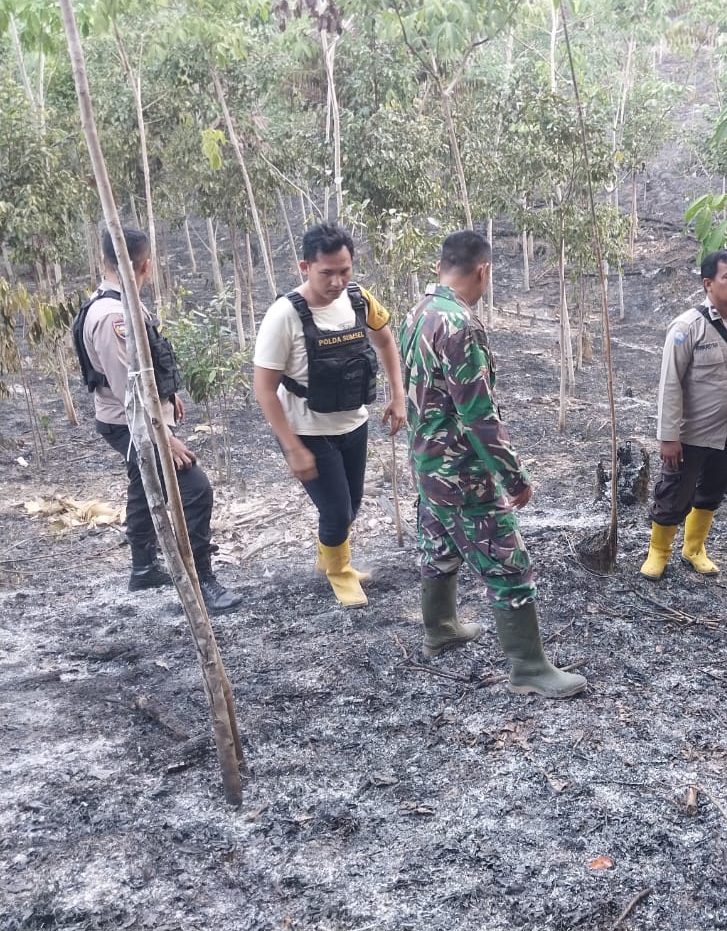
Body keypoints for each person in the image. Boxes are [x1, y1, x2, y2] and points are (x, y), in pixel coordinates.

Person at [398, 229, 586, 699]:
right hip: (462, 472)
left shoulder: (419, 311)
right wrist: (513, 475)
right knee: (508, 563)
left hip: (428, 464)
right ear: (483, 270)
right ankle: (528, 666)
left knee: (439, 545)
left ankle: (440, 628)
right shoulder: (460, 325)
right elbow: (478, 414)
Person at [74, 226, 242, 613]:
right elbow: (127, 391)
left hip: (131, 417)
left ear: (104, 261)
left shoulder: (119, 301)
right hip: (129, 424)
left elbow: (143, 370)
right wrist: (163, 437)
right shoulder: (113, 316)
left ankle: (144, 568)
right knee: (196, 488)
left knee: (141, 482)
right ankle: (203, 581)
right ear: (147, 265)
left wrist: (168, 397)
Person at [252, 223, 406, 607]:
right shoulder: (284, 315)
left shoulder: (358, 298)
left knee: (350, 505)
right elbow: (264, 388)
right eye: (327, 273)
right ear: (305, 266)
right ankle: (340, 571)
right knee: (337, 511)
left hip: (353, 422)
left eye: (345, 270)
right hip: (307, 430)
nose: (337, 281)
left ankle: (327, 561)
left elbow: (385, 338)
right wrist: (292, 447)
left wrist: (398, 395)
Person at [640, 248, 727, 579]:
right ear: (708, 284)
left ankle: (694, 548)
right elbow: (670, 385)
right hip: (692, 433)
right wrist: (669, 437)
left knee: (714, 489)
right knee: (674, 493)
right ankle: (659, 552)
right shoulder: (686, 328)